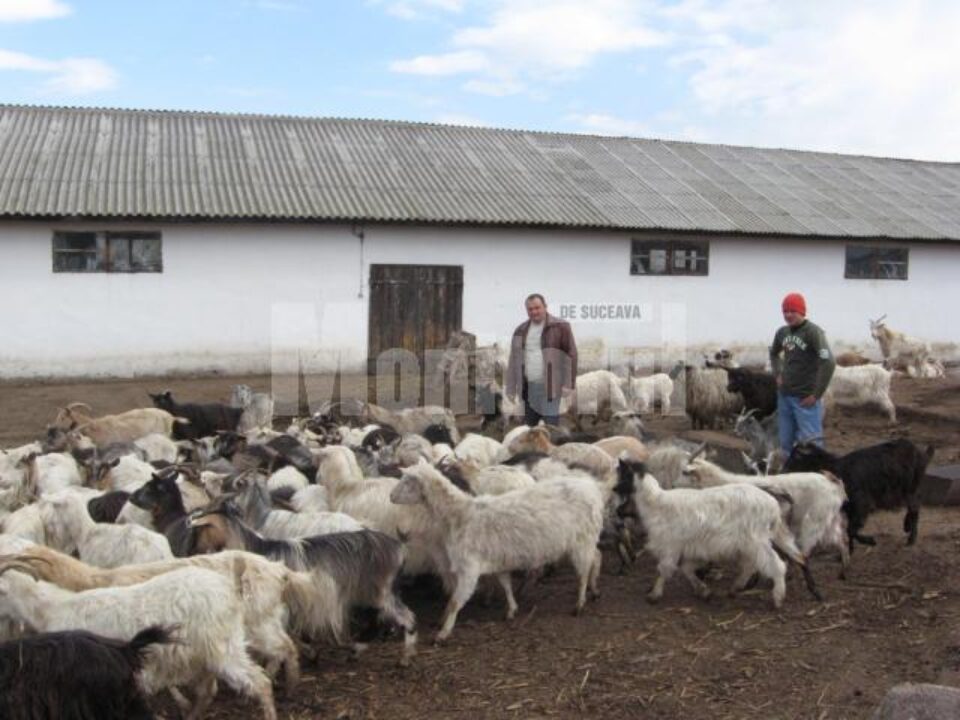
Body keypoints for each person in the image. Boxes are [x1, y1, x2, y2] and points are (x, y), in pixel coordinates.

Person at [770, 292, 836, 454]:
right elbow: (773, 353)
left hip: (805, 399)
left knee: (811, 445)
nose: (788, 315)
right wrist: (777, 373)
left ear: (802, 312)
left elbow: (828, 362)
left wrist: (816, 394)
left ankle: (815, 476)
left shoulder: (813, 332)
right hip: (785, 396)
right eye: (785, 311)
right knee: (785, 443)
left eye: (793, 311)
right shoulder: (782, 332)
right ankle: (788, 475)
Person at [505, 294, 578, 427]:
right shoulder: (520, 330)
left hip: (550, 387)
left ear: (545, 307)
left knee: (550, 427)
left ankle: (551, 447)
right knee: (529, 428)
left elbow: (571, 354)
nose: (534, 312)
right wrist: (510, 387)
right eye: (530, 309)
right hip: (529, 388)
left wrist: (569, 383)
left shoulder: (561, 327)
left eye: (537, 308)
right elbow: (513, 360)